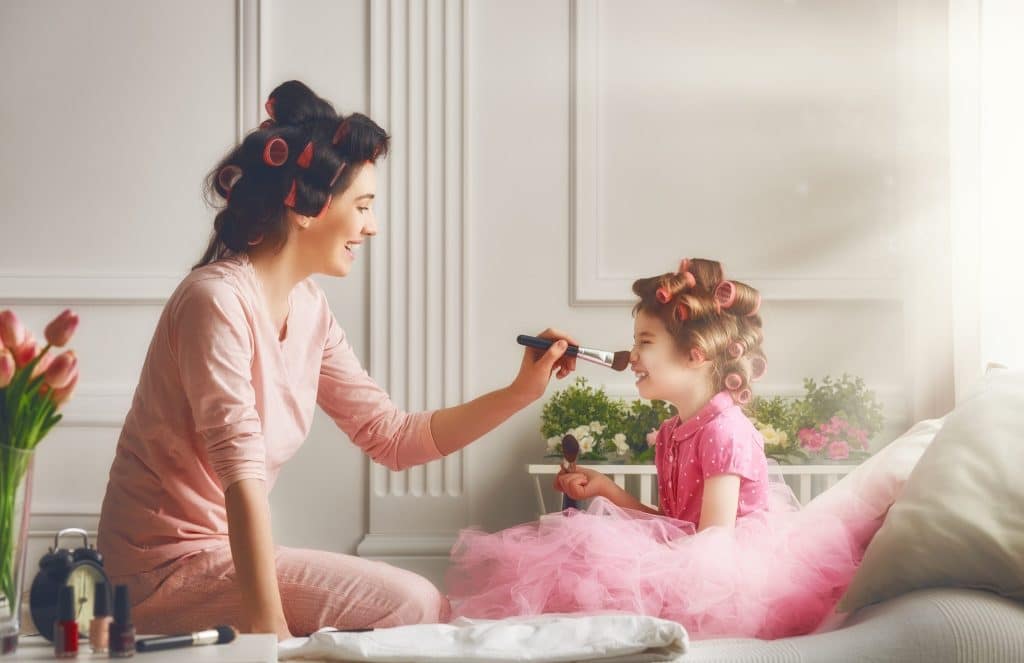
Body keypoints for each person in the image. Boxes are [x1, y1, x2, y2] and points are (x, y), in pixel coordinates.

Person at [96, 80, 577, 640]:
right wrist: (272, 637)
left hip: (221, 557)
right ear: (306, 208)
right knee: (414, 605)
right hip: (158, 575)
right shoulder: (216, 300)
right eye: (363, 206)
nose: (372, 226)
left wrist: (520, 393)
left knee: (419, 606)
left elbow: (393, 438)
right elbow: (241, 474)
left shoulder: (309, 307)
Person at [446, 258, 881, 639]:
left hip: (726, 583)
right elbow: (674, 528)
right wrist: (606, 489)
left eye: (645, 342)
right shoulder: (673, 432)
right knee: (582, 566)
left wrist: (639, 565)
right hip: (693, 561)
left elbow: (712, 548)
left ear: (696, 354)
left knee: (599, 571)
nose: (632, 355)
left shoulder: (724, 431)